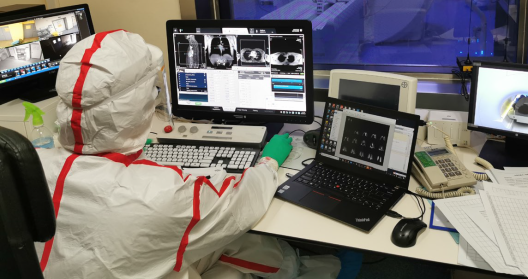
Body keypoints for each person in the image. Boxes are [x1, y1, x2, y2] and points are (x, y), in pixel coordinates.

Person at [35, 30, 340, 279]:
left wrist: (134, 153)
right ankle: (301, 269)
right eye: (153, 95)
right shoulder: (163, 193)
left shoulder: (32, 167)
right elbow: (240, 203)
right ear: (137, 109)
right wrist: (269, 161)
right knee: (242, 244)